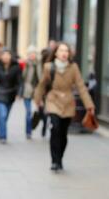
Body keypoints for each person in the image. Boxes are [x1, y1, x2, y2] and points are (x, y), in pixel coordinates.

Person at [34, 42, 95, 171]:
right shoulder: (48, 67)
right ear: (56, 53)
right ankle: (54, 161)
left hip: (68, 102)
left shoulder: (73, 68)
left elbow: (81, 87)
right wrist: (37, 100)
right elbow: (42, 84)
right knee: (55, 129)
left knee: (63, 134)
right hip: (53, 100)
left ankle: (60, 157)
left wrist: (89, 105)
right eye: (61, 50)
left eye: (66, 51)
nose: (64, 53)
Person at [0, 49, 22, 144]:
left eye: (8, 55)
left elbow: (20, 82)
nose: (6, 57)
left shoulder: (16, 67)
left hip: (11, 94)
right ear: (1, 56)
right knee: (2, 115)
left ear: (11, 56)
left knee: (4, 116)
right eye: (4, 55)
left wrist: (19, 93)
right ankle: (3, 136)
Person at [21, 46, 41, 139]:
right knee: (28, 112)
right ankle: (28, 131)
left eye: (33, 53)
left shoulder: (39, 64)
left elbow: (41, 78)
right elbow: (23, 78)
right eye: (30, 54)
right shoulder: (26, 64)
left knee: (38, 112)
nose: (32, 55)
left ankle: (37, 126)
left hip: (37, 92)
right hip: (27, 91)